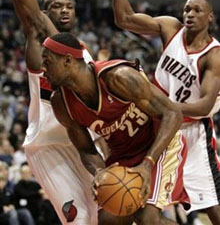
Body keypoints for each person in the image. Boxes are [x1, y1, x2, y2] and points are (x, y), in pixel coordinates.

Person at [112, 0, 220, 224]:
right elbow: (124, 18)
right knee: (144, 211)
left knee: (214, 208)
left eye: (197, 10)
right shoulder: (169, 28)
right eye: (186, 9)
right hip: (157, 128)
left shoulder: (213, 55)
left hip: (192, 133)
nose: (189, 14)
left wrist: (162, 105)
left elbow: (205, 104)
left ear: (210, 18)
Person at [9, 0, 105, 224]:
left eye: (70, 6)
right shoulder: (41, 42)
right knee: (78, 220)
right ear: (44, 13)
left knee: (110, 215)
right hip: (49, 147)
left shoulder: (83, 52)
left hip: (84, 145)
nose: (64, 10)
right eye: (56, 6)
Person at [41, 32, 190, 225]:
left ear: (67, 60)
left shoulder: (118, 77)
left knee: (147, 219)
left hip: (159, 145)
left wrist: (148, 163)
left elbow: (173, 114)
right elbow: (86, 149)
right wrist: (100, 172)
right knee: (110, 219)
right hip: (123, 156)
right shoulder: (61, 103)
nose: (42, 68)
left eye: (47, 61)